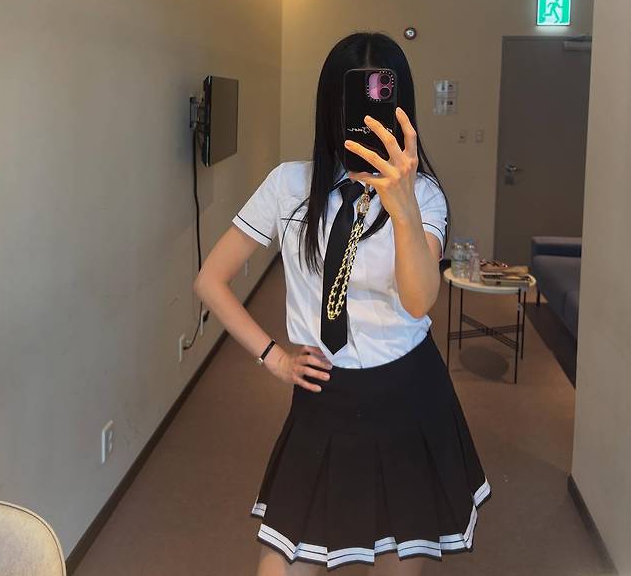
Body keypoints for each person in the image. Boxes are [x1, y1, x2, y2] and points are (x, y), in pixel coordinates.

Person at [193, 32, 492, 574]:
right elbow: (210, 280)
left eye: (382, 108)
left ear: (402, 112)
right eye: (354, 105)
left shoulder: (423, 196)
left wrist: (401, 206)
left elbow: (419, 301)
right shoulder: (289, 185)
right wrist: (274, 358)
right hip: (323, 398)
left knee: (400, 555)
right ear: (331, 107)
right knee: (282, 562)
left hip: (408, 394)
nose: (367, 122)